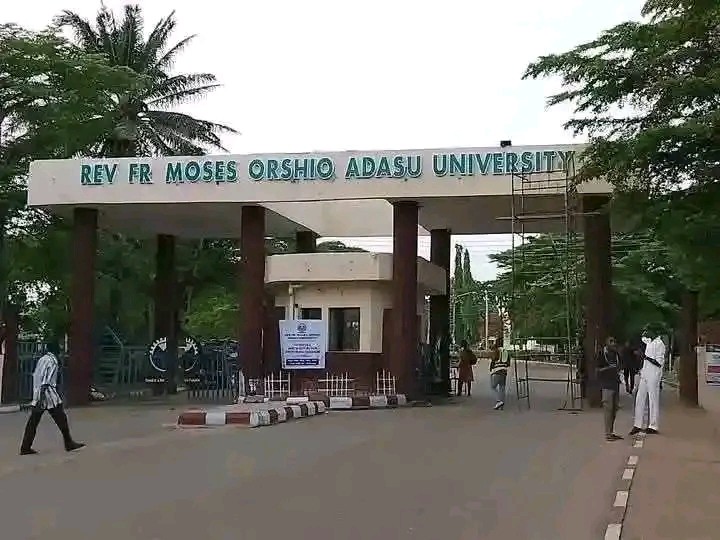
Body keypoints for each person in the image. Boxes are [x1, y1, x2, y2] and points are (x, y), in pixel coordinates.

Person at [20, 342, 85, 456]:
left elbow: (37, 376)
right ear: (56, 350)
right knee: (61, 419)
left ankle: (25, 447)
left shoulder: (42, 359)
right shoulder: (53, 361)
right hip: (48, 395)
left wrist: (37, 397)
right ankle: (68, 443)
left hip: (39, 393)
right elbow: (46, 381)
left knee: (33, 422)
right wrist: (41, 399)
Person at [630, 325, 666, 436]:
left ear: (653, 332)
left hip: (654, 374)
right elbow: (641, 338)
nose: (646, 333)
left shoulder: (660, 344)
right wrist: (643, 332)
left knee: (653, 399)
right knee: (639, 398)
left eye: (648, 331)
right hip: (645, 373)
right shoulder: (649, 341)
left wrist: (645, 357)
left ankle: (653, 426)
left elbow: (659, 363)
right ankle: (637, 424)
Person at [596, 336, 623, 441]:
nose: (613, 343)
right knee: (608, 409)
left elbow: (620, 366)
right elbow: (597, 370)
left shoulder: (616, 354)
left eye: (614, 341)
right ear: (606, 343)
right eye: (611, 342)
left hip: (615, 383)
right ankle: (608, 433)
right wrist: (608, 368)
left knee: (614, 409)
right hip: (606, 384)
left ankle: (611, 432)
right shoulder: (601, 354)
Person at [488, 336, 510, 410]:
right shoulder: (506, 351)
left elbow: (494, 359)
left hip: (497, 370)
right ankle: (502, 403)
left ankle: (499, 400)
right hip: (504, 371)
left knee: (493, 386)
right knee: (502, 388)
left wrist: (491, 369)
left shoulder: (497, 351)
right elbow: (508, 363)